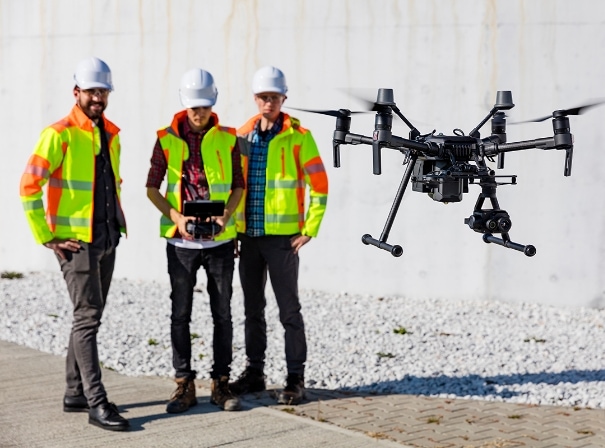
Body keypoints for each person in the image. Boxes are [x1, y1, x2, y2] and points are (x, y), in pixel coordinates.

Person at [19, 57, 129, 431]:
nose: (98, 97)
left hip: (107, 237)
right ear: (77, 92)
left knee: (88, 316)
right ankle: (97, 403)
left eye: (103, 91)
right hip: (76, 243)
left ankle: (74, 392)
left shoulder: (110, 133)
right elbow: (28, 186)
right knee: (88, 318)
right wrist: (47, 236)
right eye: (92, 91)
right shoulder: (60, 133)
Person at [146, 68, 245, 413]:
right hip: (181, 245)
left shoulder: (229, 138)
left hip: (219, 243)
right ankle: (183, 383)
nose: (198, 113)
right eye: (193, 108)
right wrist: (176, 218)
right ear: (184, 105)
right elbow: (151, 187)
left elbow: (238, 186)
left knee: (223, 314)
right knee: (180, 314)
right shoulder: (165, 138)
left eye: (204, 107)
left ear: (212, 103)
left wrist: (226, 216)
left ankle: (221, 383)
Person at [229, 66, 328, 405]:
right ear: (255, 99)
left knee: (289, 311)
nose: (267, 102)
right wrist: (233, 232)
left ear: (283, 99)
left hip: (283, 240)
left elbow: (320, 185)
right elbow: (233, 188)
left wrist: (309, 230)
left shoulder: (299, 137)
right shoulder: (241, 135)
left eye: (273, 97)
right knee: (252, 309)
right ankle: (254, 373)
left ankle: (295, 379)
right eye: (262, 97)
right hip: (249, 239)